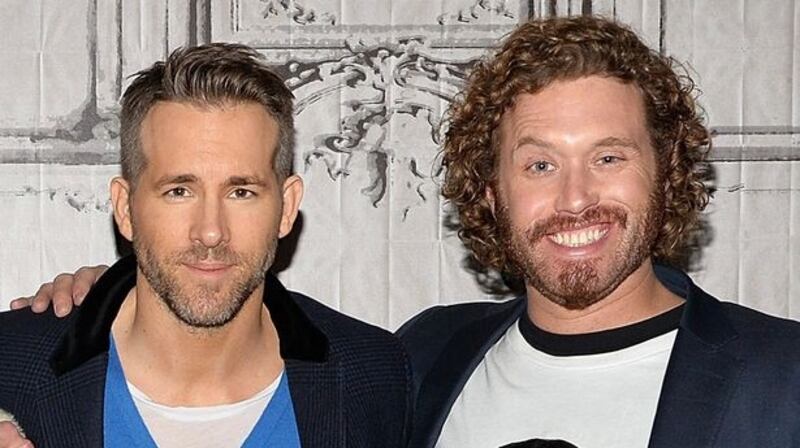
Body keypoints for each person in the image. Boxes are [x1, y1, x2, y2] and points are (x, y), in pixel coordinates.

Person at [9, 15, 800, 448]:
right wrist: (102, 293)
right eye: (538, 164)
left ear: (667, 167)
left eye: (609, 156)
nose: (575, 197)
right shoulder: (420, 358)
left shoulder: (783, 377)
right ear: (489, 191)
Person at [0, 43, 410, 448]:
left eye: (241, 192)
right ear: (125, 208)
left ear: (287, 207)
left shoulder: (374, 377)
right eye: (179, 191)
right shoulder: (10, 365)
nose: (211, 232)